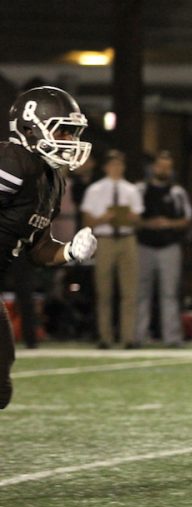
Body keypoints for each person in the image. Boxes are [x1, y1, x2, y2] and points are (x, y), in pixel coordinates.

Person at [0, 86, 98, 409]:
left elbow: (38, 248)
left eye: (72, 133)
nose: (69, 141)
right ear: (30, 128)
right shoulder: (13, 161)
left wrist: (68, 251)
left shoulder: (52, 181)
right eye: (63, 131)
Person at [81, 150, 143, 349]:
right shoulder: (95, 190)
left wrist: (131, 218)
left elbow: (139, 219)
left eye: (119, 164)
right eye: (112, 164)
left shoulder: (131, 190)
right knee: (104, 290)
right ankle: (105, 337)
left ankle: (128, 337)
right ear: (106, 167)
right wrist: (104, 218)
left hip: (127, 239)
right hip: (105, 239)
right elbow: (87, 220)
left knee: (129, 291)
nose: (116, 168)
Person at [135, 151, 192, 347]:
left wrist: (168, 223)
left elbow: (186, 219)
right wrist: (147, 224)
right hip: (144, 245)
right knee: (142, 292)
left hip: (169, 247)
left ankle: (172, 337)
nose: (164, 170)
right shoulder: (140, 189)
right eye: (161, 166)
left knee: (169, 293)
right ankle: (138, 336)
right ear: (153, 168)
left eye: (168, 167)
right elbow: (130, 216)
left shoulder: (177, 192)